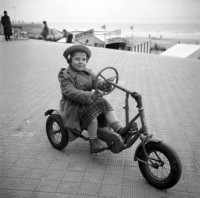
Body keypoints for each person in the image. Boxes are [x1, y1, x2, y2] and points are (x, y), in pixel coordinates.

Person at [58, 45, 128, 153]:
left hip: (88, 100)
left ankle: (118, 128)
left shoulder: (88, 72)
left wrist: (106, 83)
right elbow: (70, 92)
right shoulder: (65, 75)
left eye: (84, 59)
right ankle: (93, 142)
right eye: (77, 59)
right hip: (73, 105)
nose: (81, 62)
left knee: (104, 103)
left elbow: (97, 82)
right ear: (70, 60)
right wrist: (89, 96)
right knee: (92, 115)